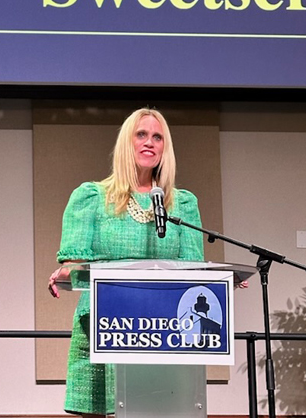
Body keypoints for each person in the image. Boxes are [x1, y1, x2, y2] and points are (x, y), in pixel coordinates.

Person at [48, 108, 205, 416]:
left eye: (158, 137)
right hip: (108, 325)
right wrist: (66, 272)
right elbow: (74, 264)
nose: (150, 142)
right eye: (141, 135)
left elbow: (193, 269)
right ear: (126, 143)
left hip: (165, 328)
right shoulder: (92, 198)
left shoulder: (182, 204)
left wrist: (224, 280)